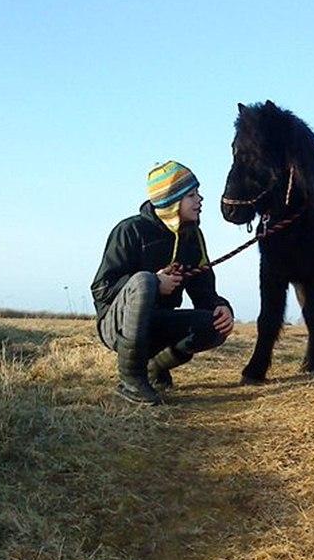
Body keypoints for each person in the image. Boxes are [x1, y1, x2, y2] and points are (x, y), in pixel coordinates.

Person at [91, 161, 235, 404]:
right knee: (143, 281)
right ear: (171, 201)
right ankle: (131, 381)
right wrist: (155, 282)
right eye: (191, 195)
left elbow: (203, 290)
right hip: (115, 326)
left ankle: (154, 368)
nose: (200, 199)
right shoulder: (129, 230)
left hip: (157, 323)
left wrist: (221, 306)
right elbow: (101, 289)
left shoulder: (192, 236)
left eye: (197, 193)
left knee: (214, 325)